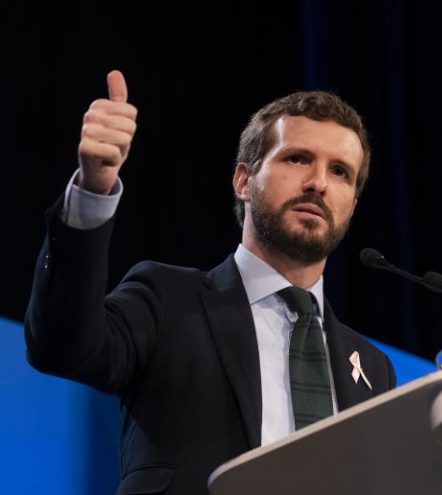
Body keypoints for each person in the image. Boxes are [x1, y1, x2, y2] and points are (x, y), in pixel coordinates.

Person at [25, 70, 396, 495]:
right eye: (297, 159)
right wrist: (92, 191)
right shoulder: (167, 300)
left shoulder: (372, 369)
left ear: (352, 205)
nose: (318, 183)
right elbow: (61, 346)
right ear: (244, 181)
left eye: (340, 172)